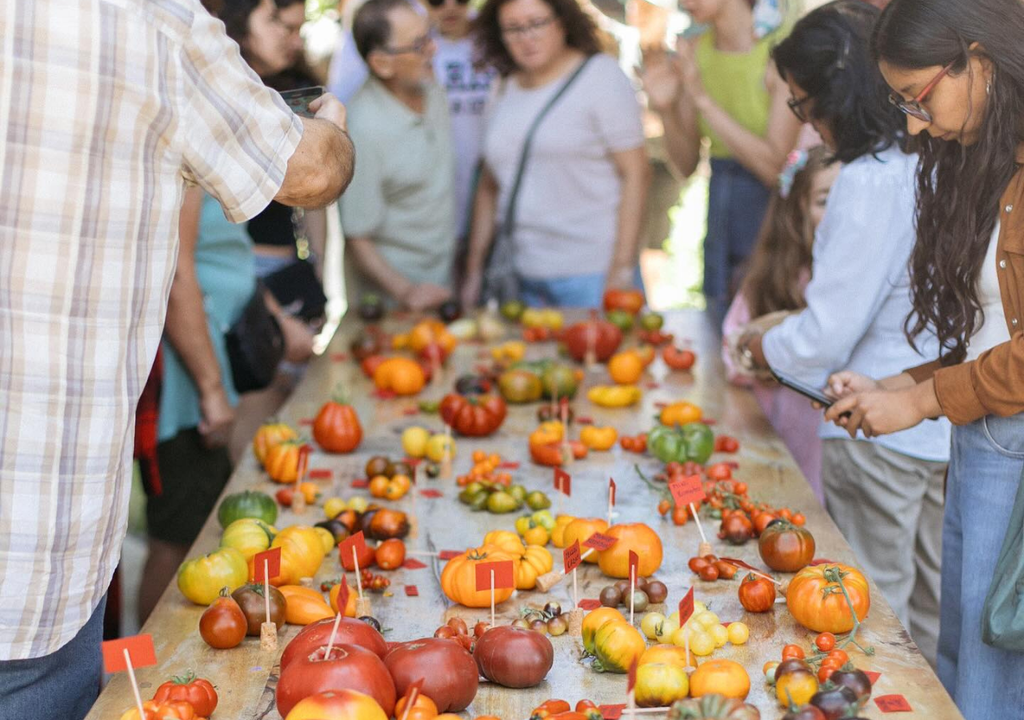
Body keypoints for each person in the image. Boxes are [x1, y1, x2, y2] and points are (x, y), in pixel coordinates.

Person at [0, 0, 353, 716]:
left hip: (167, 392)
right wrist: (213, 391)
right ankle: (138, 652)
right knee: (176, 521)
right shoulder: (151, 26)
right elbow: (304, 177)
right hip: (51, 510)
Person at [734, 0, 950, 667]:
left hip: (876, 421)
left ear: (834, 94)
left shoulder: (867, 180)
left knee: (871, 616)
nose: (805, 124)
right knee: (930, 615)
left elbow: (826, 334)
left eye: (800, 105)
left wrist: (762, 344)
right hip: (939, 417)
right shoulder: (933, 160)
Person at [826, 0, 1024, 715]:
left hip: (1012, 441)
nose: (914, 122)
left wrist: (919, 401)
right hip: (984, 432)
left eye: (919, 97)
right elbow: (989, 334)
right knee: (966, 657)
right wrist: (899, 385)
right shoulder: (984, 160)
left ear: (977, 60)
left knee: (993, 670)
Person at [135, 188, 313, 624]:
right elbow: (177, 277)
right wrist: (211, 391)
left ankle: (143, 665)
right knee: (179, 534)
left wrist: (275, 315)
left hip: (203, 365)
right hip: (181, 386)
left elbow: (229, 254)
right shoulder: (183, 161)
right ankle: (135, 674)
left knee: (197, 523)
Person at [461, 0, 650, 309]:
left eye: (537, 23)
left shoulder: (601, 77)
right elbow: (489, 184)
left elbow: (637, 174)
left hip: (592, 273)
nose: (526, 36)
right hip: (519, 275)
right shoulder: (502, 87)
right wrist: (473, 271)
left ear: (562, 21)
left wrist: (621, 269)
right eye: (513, 28)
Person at [640, 0, 802, 323]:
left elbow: (774, 168)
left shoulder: (783, 49)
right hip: (720, 213)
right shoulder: (694, 49)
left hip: (776, 218)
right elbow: (685, 166)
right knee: (718, 326)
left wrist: (702, 98)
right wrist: (665, 108)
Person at [722, 146, 839, 504]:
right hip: (773, 437)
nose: (837, 212)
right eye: (823, 200)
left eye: (845, 198)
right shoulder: (769, 279)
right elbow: (733, 351)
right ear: (798, 208)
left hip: (829, 443)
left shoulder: (853, 282)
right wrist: (766, 357)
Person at [339, 0, 457, 311]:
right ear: (381, 63)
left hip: (444, 281)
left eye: (430, 35)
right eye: (419, 44)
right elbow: (357, 238)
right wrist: (407, 293)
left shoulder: (434, 93)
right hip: (392, 303)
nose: (433, 48)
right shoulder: (361, 128)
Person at [422, 0, 498, 275]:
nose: (450, 7)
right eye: (437, 1)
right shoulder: (417, 47)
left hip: (492, 183)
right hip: (441, 190)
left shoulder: (497, 38)